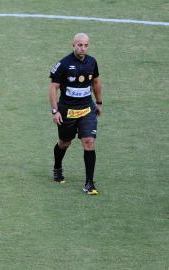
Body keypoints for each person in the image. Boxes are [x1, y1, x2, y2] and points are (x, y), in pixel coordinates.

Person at [49, 33, 103, 195]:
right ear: (73, 45)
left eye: (86, 45)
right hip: (67, 111)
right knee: (64, 143)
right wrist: (55, 110)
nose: (83, 48)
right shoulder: (63, 64)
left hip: (87, 109)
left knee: (89, 142)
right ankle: (57, 167)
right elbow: (53, 88)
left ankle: (89, 183)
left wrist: (99, 102)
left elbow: (95, 82)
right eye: (80, 45)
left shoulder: (92, 62)